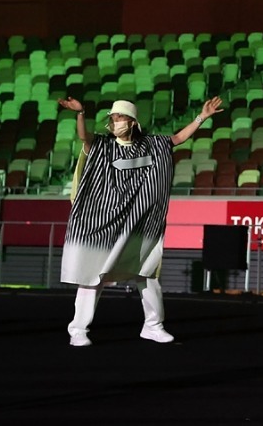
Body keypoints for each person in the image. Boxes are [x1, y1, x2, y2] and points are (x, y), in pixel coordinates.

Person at [57, 95, 224, 346]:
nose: (115, 122)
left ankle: (153, 326)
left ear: (133, 122)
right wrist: (80, 113)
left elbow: (177, 139)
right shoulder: (103, 145)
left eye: (120, 117)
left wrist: (202, 117)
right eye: (112, 118)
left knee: (147, 273)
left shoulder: (151, 145)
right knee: (92, 275)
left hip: (137, 222)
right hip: (102, 222)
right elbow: (84, 137)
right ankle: (78, 330)